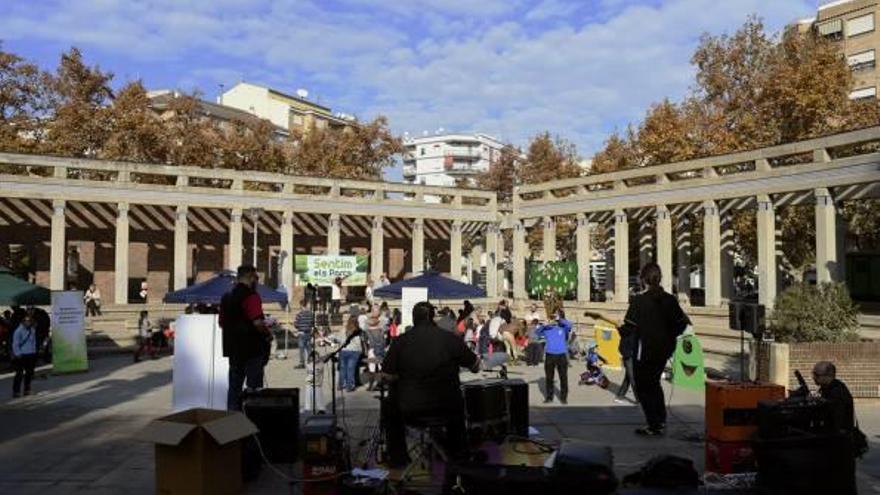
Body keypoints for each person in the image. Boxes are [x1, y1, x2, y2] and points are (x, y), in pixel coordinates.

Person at [382, 302, 481, 466]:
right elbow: (475, 366)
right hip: (446, 409)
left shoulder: (400, 341)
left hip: (409, 410)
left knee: (390, 407)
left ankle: (398, 458)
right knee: (458, 404)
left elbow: (386, 375)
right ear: (433, 317)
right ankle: (459, 458)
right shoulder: (449, 339)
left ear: (414, 319)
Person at [622, 263, 690, 436]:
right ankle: (660, 420)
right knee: (654, 383)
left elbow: (628, 327)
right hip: (664, 350)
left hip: (644, 351)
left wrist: (621, 330)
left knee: (644, 387)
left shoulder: (638, 300)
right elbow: (682, 324)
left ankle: (654, 424)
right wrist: (669, 338)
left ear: (644, 279)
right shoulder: (670, 299)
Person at [220, 265, 272, 411]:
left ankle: (233, 422)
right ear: (250, 277)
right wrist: (268, 334)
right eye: (256, 278)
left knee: (234, 389)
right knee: (254, 390)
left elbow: (222, 323)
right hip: (252, 350)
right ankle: (254, 422)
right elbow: (257, 322)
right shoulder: (251, 297)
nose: (257, 281)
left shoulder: (226, 297)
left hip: (234, 350)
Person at [812, 361, 857, 495]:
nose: (813, 377)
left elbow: (836, 421)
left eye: (816, 374)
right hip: (837, 443)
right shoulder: (829, 389)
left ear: (828, 376)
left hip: (840, 446)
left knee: (841, 483)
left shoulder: (837, 392)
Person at [536, 310, 573, 404]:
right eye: (552, 316)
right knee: (549, 378)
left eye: (555, 316)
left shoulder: (563, 327)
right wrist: (544, 324)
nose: (553, 317)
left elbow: (569, 325)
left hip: (561, 355)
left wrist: (559, 319)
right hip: (549, 355)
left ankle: (563, 397)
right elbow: (537, 332)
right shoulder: (547, 328)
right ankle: (549, 397)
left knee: (563, 377)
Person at [11, 315, 38, 398]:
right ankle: (16, 392)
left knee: (29, 373)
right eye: (26, 320)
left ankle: (27, 390)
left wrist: (34, 352)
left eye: (29, 321)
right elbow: (15, 344)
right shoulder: (18, 331)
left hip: (31, 354)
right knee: (19, 374)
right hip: (21, 355)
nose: (28, 322)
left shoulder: (32, 330)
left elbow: (33, 342)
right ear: (23, 322)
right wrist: (18, 354)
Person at [337, 315, 365, 392]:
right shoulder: (359, 331)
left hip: (344, 350)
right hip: (354, 351)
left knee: (343, 368)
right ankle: (350, 386)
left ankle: (341, 384)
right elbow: (361, 341)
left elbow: (339, 339)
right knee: (350, 369)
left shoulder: (343, 329)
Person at [294, 299, 315, 369]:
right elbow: (312, 323)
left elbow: (296, 325)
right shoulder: (311, 314)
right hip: (308, 333)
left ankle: (302, 363)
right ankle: (310, 361)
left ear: (301, 305)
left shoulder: (299, 314)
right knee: (309, 348)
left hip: (301, 333)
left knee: (301, 349)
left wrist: (297, 325)